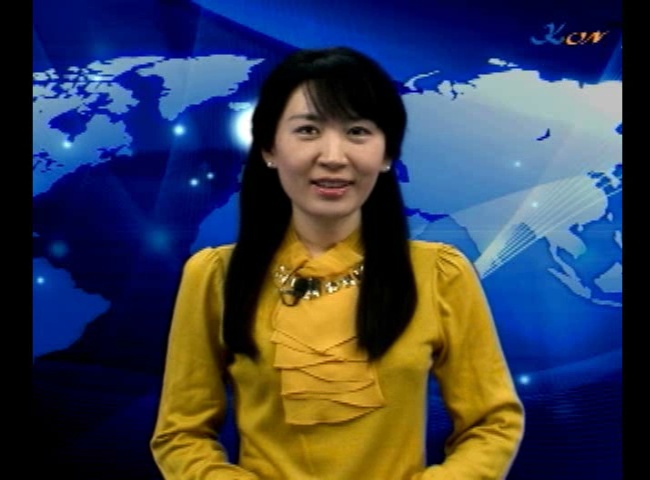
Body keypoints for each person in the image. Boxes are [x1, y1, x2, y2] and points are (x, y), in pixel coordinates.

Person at [150, 46, 525, 479]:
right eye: (308, 130)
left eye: (357, 131)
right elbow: (180, 435)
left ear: (387, 153)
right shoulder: (215, 276)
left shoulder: (440, 274)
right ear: (269, 147)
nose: (333, 156)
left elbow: (492, 423)